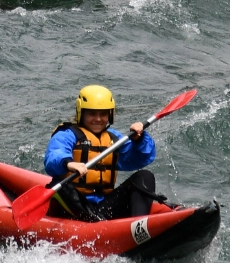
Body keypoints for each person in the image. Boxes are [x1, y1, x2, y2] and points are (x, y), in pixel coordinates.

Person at [44, 85, 164, 222]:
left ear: (110, 115)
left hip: (103, 207)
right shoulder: (67, 134)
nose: (98, 119)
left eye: (103, 114)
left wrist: (139, 139)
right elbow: (53, 156)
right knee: (61, 186)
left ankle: (138, 226)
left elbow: (142, 158)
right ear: (81, 113)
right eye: (92, 114)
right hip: (74, 205)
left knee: (145, 176)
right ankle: (97, 223)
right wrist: (68, 163)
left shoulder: (114, 139)